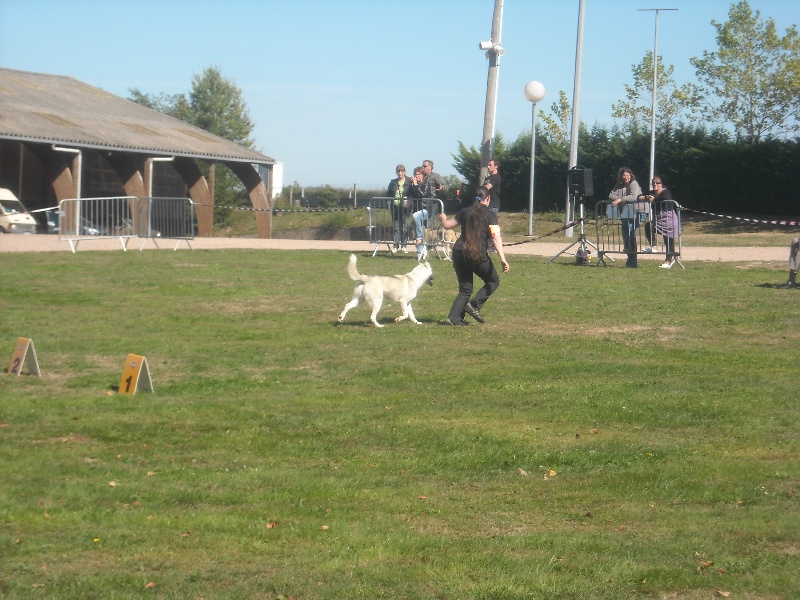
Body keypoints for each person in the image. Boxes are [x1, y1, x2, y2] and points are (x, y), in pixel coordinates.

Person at [438, 186, 509, 326]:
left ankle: (454, 318)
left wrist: (442, 218)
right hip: (476, 254)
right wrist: (503, 259)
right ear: (487, 198)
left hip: (458, 253)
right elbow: (496, 238)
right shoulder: (490, 215)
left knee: (465, 289)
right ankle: (474, 305)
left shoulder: (464, 211)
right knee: (493, 281)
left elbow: (447, 225)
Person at [638, 175, 679, 268]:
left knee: (668, 240)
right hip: (659, 218)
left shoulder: (665, 192)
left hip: (669, 218)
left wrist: (654, 199)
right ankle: (653, 247)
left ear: (662, 184)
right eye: (653, 183)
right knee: (649, 226)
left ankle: (668, 261)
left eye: (657, 183)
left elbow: (666, 198)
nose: (655, 184)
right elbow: (639, 197)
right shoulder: (652, 193)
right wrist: (647, 198)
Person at [411, 159, 447, 261]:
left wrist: (442, 187)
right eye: (422, 166)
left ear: (430, 167)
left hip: (431, 204)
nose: (423, 167)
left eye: (424, 166)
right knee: (420, 227)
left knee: (429, 226)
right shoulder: (422, 178)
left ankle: (429, 247)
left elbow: (445, 186)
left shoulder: (435, 176)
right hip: (419, 206)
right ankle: (421, 250)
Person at [608, 167, 643, 268]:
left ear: (631, 175)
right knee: (625, 233)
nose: (626, 177)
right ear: (621, 176)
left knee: (631, 234)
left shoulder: (634, 183)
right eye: (624, 175)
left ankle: (632, 261)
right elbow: (611, 195)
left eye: (628, 174)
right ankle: (631, 260)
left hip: (637, 211)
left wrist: (620, 200)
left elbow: (634, 196)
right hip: (626, 212)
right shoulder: (619, 185)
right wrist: (620, 199)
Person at [387, 164, 412, 254]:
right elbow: (389, 194)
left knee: (405, 226)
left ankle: (404, 246)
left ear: (404, 172)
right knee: (396, 227)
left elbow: (412, 192)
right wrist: (389, 203)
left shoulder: (409, 181)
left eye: (401, 171)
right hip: (395, 207)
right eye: (398, 171)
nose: (400, 173)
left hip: (405, 207)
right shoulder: (392, 182)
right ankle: (395, 246)